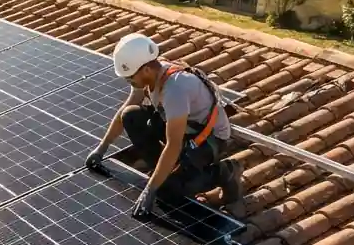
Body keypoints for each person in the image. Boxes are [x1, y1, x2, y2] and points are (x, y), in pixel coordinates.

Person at [85, 33, 243, 219]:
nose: (129, 82)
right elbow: (124, 113)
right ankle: (164, 171)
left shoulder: (175, 89)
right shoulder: (148, 76)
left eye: (130, 78)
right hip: (182, 129)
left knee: (169, 190)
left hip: (208, 138)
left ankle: (225, 172)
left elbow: (173, 145)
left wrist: (150, 190)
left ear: (145, 70)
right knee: (131, 116)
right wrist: (101, 150)